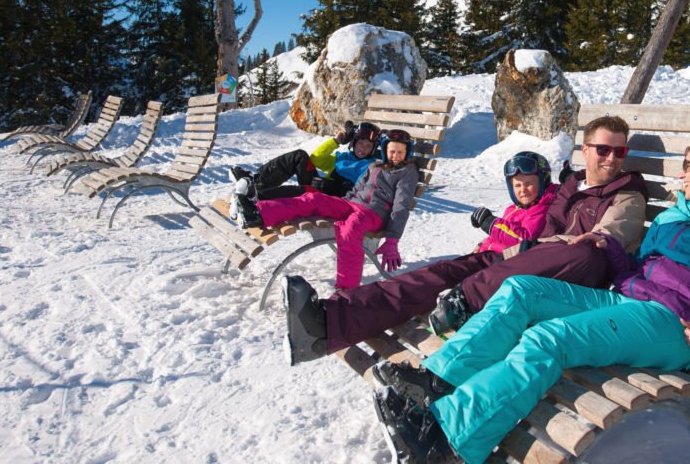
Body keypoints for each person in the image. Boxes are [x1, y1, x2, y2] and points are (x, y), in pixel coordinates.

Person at [370, 138, 690, 464]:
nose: (681, 173)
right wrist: (611, 249)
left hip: (672, 325)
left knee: (550, 338)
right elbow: (641, 270)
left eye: (688, 165)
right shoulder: (677, 214)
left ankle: (448, 439)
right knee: (520, 291)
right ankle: (435, 382)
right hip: (627, 300)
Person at [284, 115, 647, 363]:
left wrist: (546, 239)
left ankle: (466, 299)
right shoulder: (567, 188)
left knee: (585, 251)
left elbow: (611, 234)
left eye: (620, 151)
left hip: (563, 276)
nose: (612, 159)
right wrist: (500, 235)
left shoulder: (627, 194)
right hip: (519, 258)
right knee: (432, 276)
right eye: (604, 149)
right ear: (586, 150)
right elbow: (534, 213)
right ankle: (327, 324)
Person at [283, 151, 559, 365]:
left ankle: (330, 322)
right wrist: (485, 240)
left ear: (543, 182)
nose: (523, 189)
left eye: (529, 184)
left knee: (422, 284)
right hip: (487, 263)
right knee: (423, 279)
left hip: (500, 272)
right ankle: (334, 316)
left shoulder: (544, 209)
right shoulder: (520, 207)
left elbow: (522, 239)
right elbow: (509, 237)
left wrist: (491, 224)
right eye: (518, 184)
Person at [232, 129, 418, 290]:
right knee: (314, 199)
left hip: (374, 214)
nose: (396, 155)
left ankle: (347, 288)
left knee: (351, 227)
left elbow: (401, 206)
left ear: (407, 154)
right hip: (353, 204)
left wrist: (392, 240)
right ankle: (257, 213)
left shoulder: (407, 172)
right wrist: (339, 205)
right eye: (392, 151)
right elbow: (357, 189)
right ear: (385, 151)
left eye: (401, 152)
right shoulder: (374, 166)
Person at [229, 120, 381, 204]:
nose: (364, 148)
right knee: (299, 156)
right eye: (361, 143)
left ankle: (257, 197)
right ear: (353, 142)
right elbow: (316, 159)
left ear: (373, 149)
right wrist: (335, 141)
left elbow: (365, 186)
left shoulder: (371, 165)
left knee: (304, 191)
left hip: (333, 199)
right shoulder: (342, 157)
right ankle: (257, 182)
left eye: (368, 146)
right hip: (320, 188)